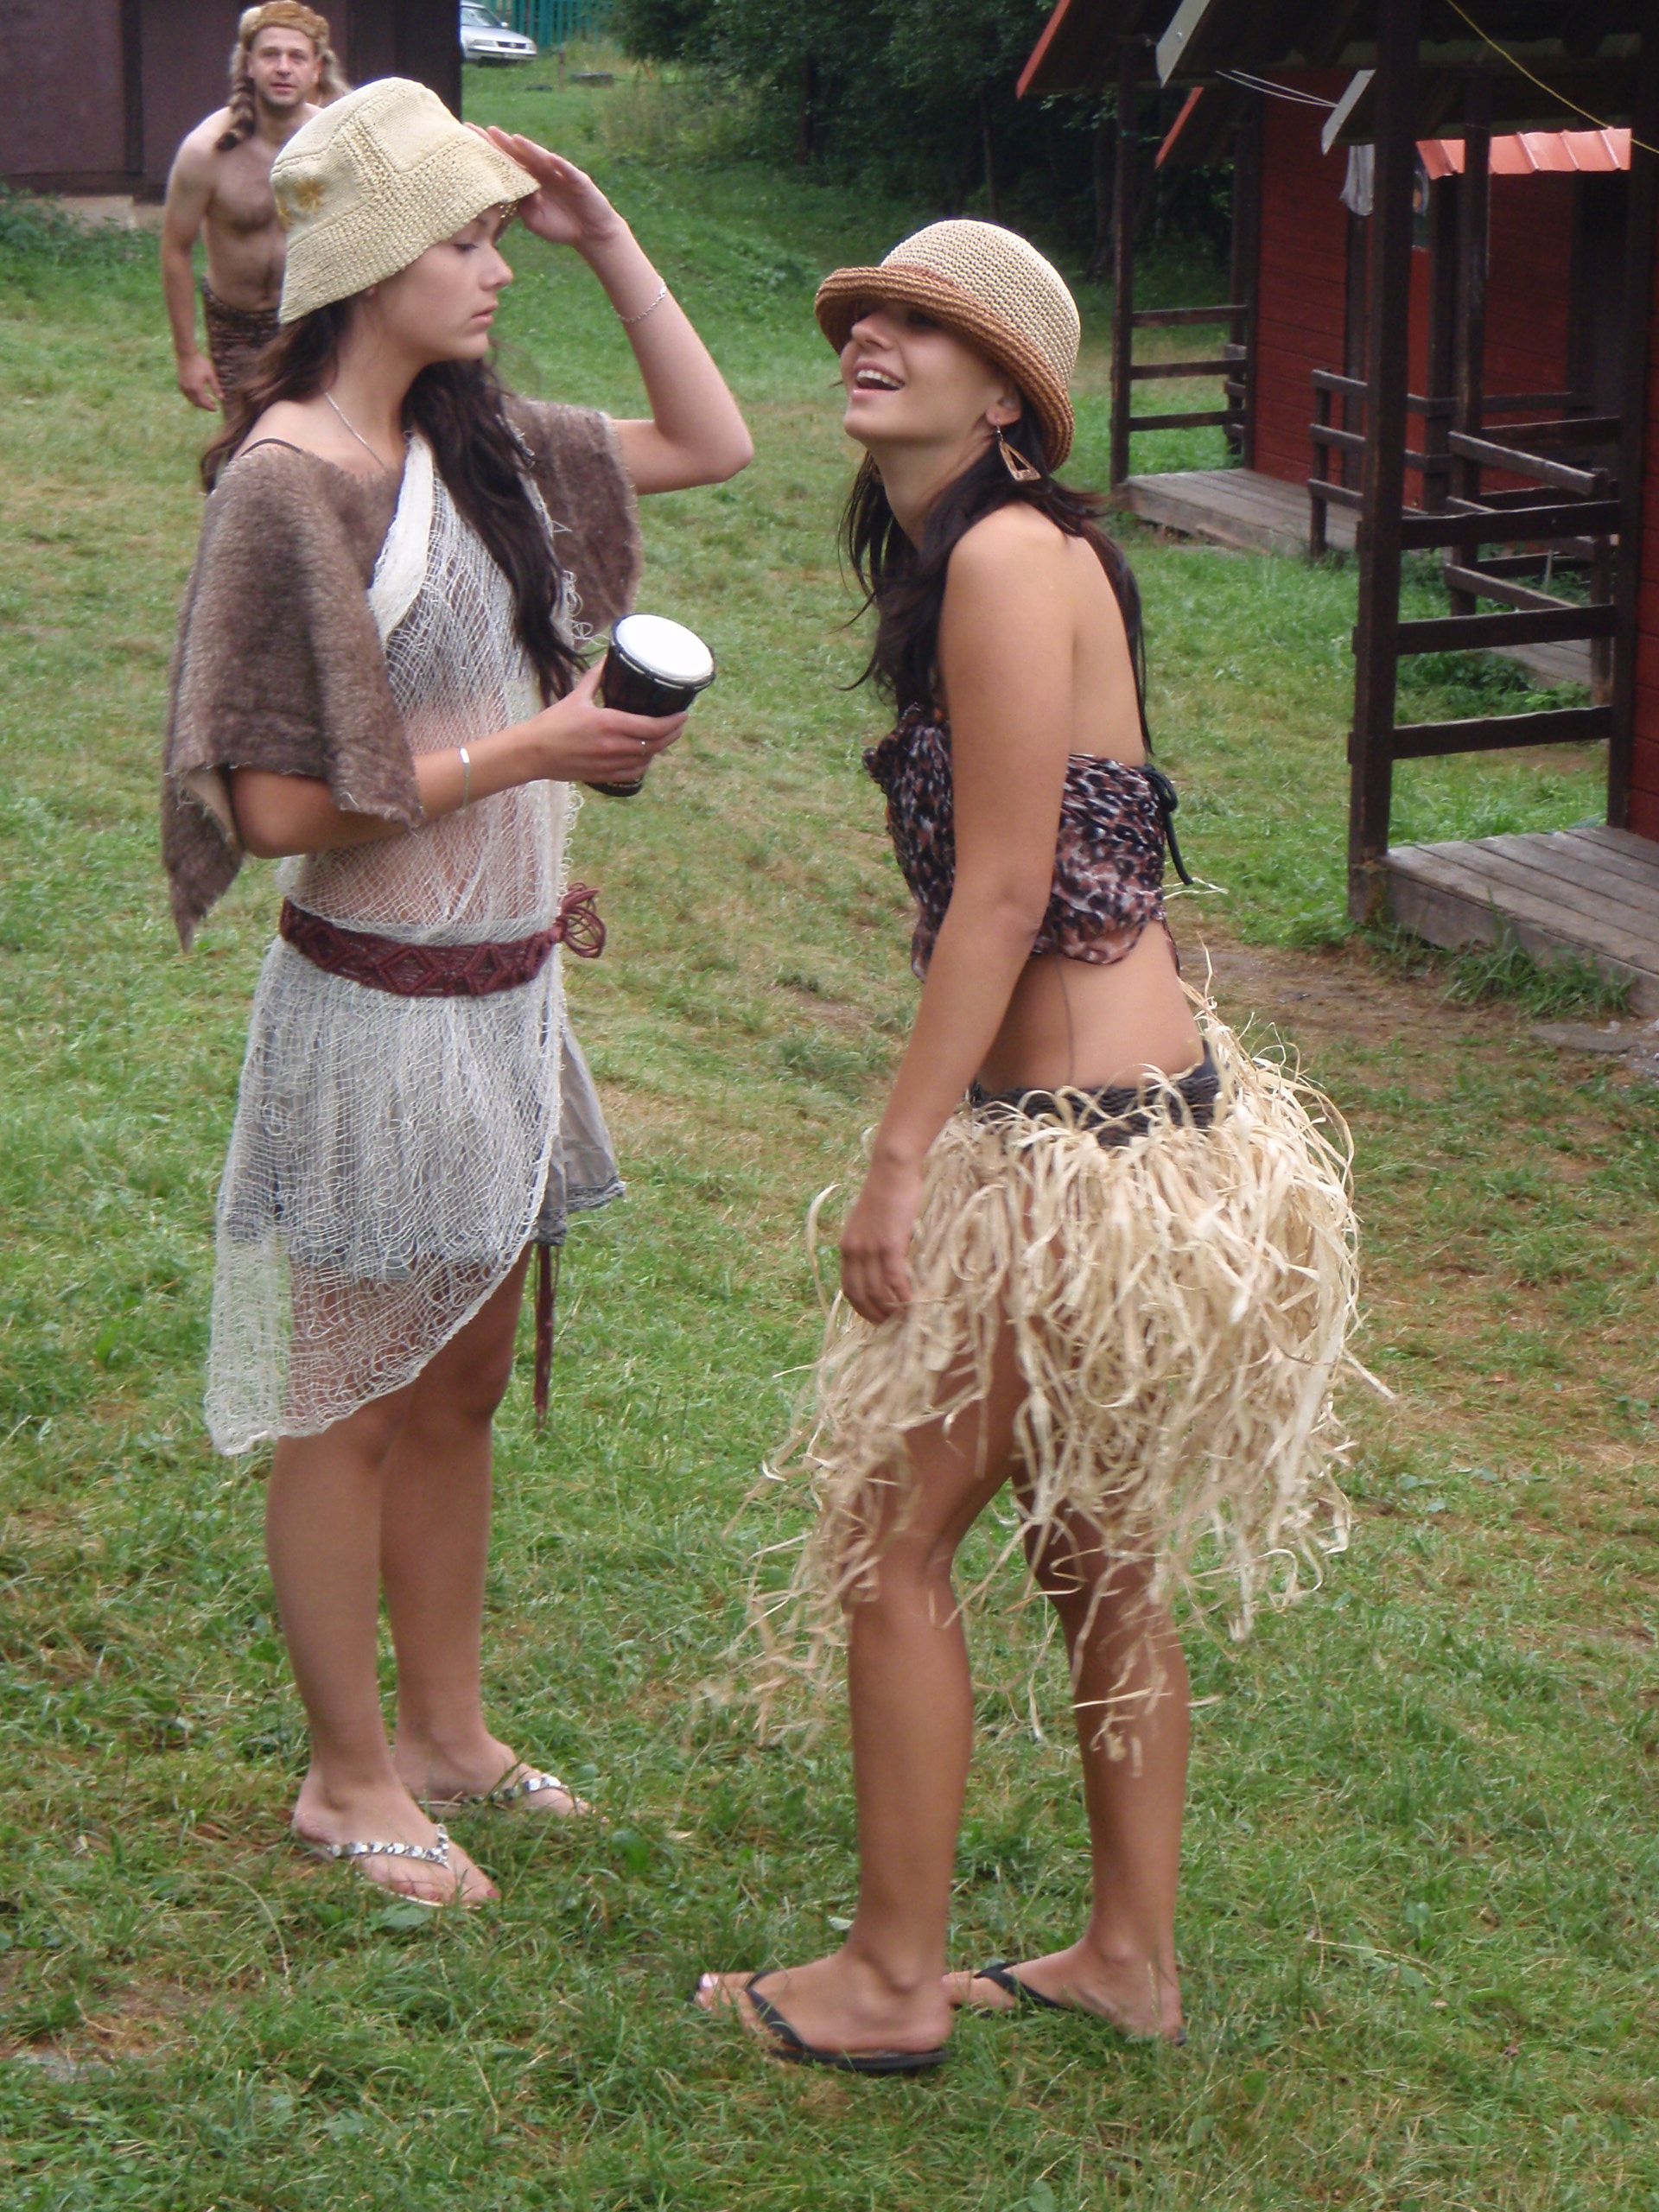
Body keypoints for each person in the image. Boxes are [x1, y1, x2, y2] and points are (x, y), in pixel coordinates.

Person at [697, 221, 1356, 2069]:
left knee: (890, 1540)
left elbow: (1000, 895)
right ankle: (1127, 1957)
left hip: (1077, 1159)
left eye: (928, 326)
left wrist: (901, 1157)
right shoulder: (1002, 556)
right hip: (1146, 1135)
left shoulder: (1000, 556)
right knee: (1095, 1549)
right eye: (870, 313)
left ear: (1011, 397)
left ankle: (888, 1981)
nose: (877, 337)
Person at [162, 78, 752, 1905]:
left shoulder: (479, 445)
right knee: (346, 1395)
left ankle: (448, 1735)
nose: (499, 270)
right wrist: (534, 748)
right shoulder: (290, 483)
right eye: (468, 240)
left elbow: (711, 437)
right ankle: (346, 1779)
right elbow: (271, 808)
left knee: (462, 1380)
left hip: (506, 1003)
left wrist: (610, 237)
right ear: (371, 262)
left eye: (502, 237)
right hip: (374, 1011)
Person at [160, 4, 346, 410]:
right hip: (235, 325)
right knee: (248, 438)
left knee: (316, 434)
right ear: (249, 65)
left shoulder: (335, 144)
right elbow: (175, 248)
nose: (283, 68)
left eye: (297, 57)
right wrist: (187, 355)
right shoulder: (206, 151)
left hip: (312, 320)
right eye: (270, 55)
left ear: (316, 69)